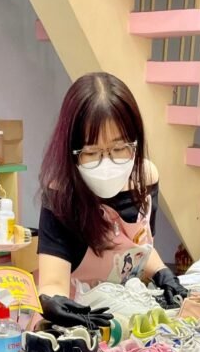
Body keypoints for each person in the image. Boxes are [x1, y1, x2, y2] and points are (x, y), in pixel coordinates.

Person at [37, 72, 188, 330]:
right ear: (70, 151)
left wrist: (162, 272)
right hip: (81, 318)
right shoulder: (61, 194)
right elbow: (53, 282)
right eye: (91, 152)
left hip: (128, 317)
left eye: (119, 149)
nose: (106, 163)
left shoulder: (145, 179)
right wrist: (54, 304)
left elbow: (138, 248)